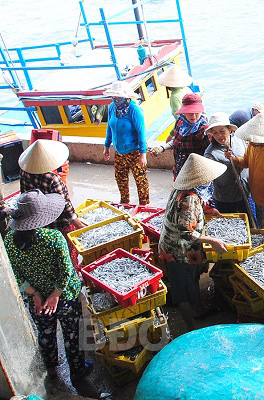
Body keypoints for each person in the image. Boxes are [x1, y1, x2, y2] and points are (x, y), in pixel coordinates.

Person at [2, 190, 92, 380]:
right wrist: (54, 295)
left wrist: (35, 294)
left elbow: (16, 275)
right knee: (72, 335)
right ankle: (77, 371)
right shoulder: (54, 238)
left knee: (46, 334)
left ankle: (51, 370)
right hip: (65, 298)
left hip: (37, 301)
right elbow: (66, 271)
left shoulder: (9, 240)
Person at [158, 154, 228, 332]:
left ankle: (198, 310)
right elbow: (186, 232)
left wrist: (209, 210)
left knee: (193, 279)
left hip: (184, 249)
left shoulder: (183, 188)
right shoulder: (189, 198)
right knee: (183, 293)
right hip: (178, 252)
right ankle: (190, 329)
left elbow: (188, 212)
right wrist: (213, 241)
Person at [18, 139, 87, 268]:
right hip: (59, 223)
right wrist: (76, 222)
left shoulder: (24, 172)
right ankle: (73, 274)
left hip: (37, 222)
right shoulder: (52, 179)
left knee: (49, 252)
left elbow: (24, 195)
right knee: (66, 252)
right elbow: (65, 203)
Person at [226, 113, 264, 227]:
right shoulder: (252, 146)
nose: (250, 140)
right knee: (261, 226)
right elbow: (246, 163)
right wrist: (234, 158)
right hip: (258, 198)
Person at [103, 80, 150, 205]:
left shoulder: (135, 110)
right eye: (114, 97)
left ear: (126, 97)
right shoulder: (112, 107)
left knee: (140, 180)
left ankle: (144, 204)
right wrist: (107, 145)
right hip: (119, 152)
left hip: (134, 151)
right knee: (120, 179)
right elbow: (110, 127)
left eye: (118, 97)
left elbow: (141, 133)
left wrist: (143, 154)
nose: (116, 100)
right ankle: (124, 202)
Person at [149, 93, 210, 178]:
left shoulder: (204, 129)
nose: (193, 115)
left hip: (197, 173)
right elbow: (177, 141)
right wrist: (162, 148)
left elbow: (210, 153)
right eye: (189, 112)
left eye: (196, 112)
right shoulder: (180, 121)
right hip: (180, 169)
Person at [204, 112, 249, 213]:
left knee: (249, 222)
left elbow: (247, 160)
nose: (219, 135)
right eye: (214, 132)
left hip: (246, 192)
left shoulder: (239, 139)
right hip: (226, 198)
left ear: (229, 129)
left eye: (222, 131)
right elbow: (207, 179)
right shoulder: (210, 153)